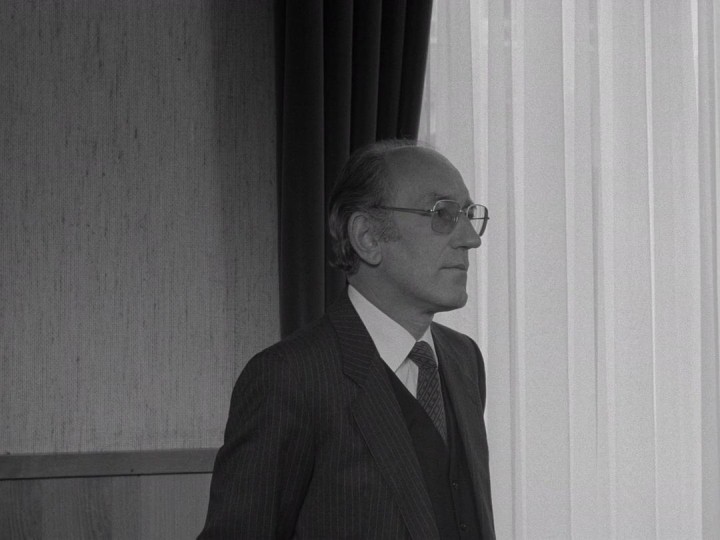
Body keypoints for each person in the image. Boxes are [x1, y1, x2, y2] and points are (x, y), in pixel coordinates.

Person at [199, 140, 495, 539]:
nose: (471, 239)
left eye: (468, 215)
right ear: (367, 236)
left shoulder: (464, 359)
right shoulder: (289, 379)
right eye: (442, 213)